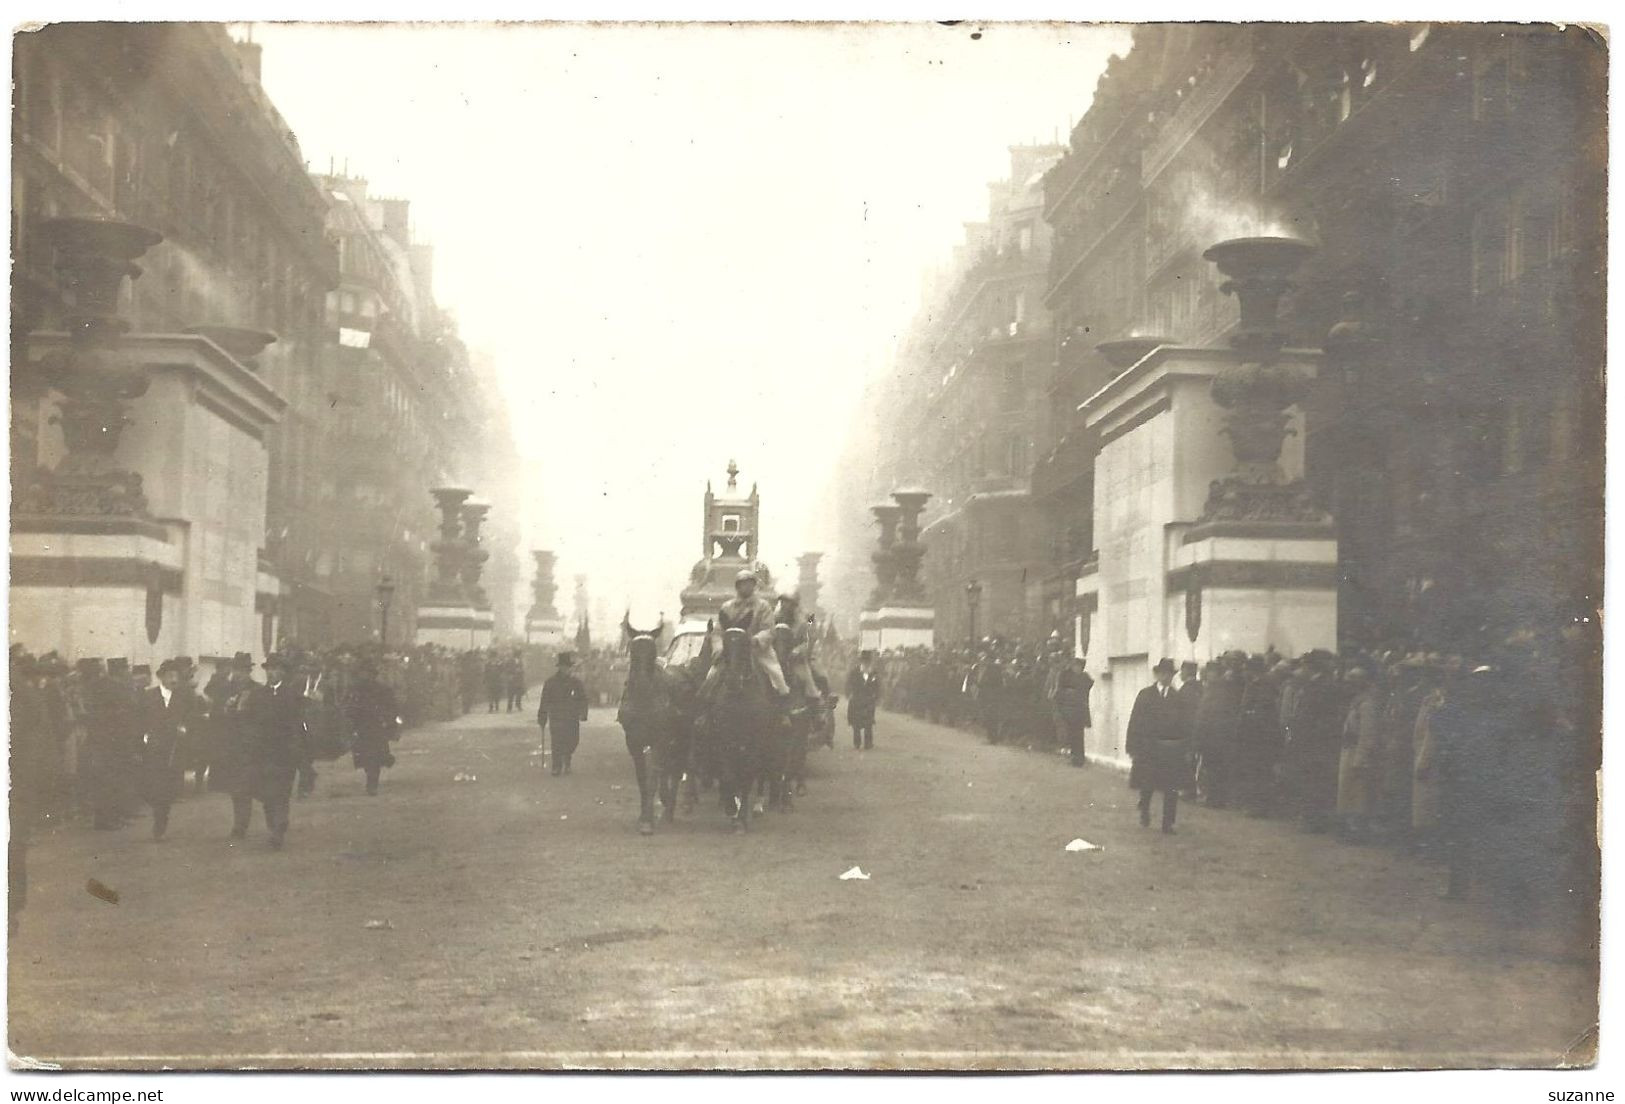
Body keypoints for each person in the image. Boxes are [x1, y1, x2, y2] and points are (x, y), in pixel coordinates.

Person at [229, 653, 307, 849]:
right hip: (262, 753)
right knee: (267, 794)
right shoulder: (258, 695)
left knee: (281, 792)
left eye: (275, 669)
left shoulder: (292, 696)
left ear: (283, 672)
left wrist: (297, 750)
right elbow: (247, 720)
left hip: (284, 753)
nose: (271, 673)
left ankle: (278, 829)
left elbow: (299, 725)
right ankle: (274, 826)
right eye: (268, 669)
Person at [1126, 658, 1192, 833]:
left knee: (1171, 787)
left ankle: (1167, 823)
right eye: (1163, 673)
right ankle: (1144, 810)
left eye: (1170, 674)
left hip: (1171, 749)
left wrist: (1185, 746)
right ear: (1157, 674)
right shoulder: (1145, 695)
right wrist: (1132, 747)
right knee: (1147, 784)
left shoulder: (1178, 698)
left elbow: (1185, 724)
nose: (1166, 677)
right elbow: (1135, 721)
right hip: (1149, 749)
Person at [138, 659, 200, 840]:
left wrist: (185, 729)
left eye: (176, 676)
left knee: (167, 789)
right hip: (153, 749)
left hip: (175, 750)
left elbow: (192, 719)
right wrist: (143, 739)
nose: (174, 679)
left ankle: (160, 820)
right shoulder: (149, 696)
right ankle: (158, 812)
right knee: (152, 786)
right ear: (161, 677)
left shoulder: (185, 697)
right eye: (170, 675)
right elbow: (140, 721)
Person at [347, 657, 401, 795]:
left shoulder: (382, 689)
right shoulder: (355, 689)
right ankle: (371, 780)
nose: (364, 675)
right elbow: (348, 706)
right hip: (361, 726)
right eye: (362, 673)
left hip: (376, 726)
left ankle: (372, 784)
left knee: (375, 756)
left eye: (367, 673)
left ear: (372, 674)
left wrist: (389, 722)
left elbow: (392, 707)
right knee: (365, 756)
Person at [539, 652, 590, 775]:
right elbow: (544, 700)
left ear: (570, 668)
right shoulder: (550, 682)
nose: (565, 670)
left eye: (568, 667)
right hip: (556, 716)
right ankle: (557, 766)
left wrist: (583, 713)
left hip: (572, 716)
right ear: (559, 667)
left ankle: (567, 760)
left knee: (573, 740)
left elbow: (583, 698)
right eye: (563, 667)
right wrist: (542, 716)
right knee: (556, 741)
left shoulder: (576, 682)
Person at [1053, 661, 1093, 767]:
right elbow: (1059, 693)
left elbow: (1088, 685)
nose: (1077, 669)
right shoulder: (1067, 677)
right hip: (1069, 711)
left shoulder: (1083, 678)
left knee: (1078, 735)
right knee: (1072, 734)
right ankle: (1075, 756)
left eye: (1079, 667)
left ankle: (1079, 758)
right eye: (1076, 666)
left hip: (1079, 711)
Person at [846, 650, 881, 750]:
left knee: (868, 722)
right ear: (861, 661)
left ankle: (868, 743)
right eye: (864, 660)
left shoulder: (873, 672)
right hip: (857, 699)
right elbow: (849, 683)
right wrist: (848, 694)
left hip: (868, 699)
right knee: (856, 722)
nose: (866, 663)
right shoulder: (855, 671)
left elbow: (877, 685)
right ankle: (857, 742)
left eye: (867, 661)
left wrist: (877, 696)